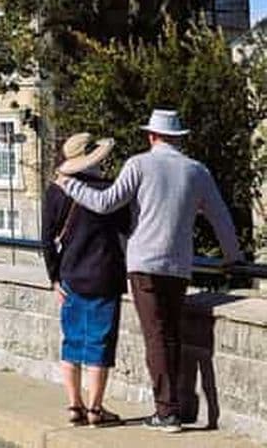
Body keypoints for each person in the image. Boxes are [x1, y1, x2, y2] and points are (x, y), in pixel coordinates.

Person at [56, 109, 242, 433]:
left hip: (144, 263)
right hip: (178, 265)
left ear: (152, 136)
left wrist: (69, 185)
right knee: (171, 334)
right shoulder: (197, 171)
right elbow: (220, 216)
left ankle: (166, 412)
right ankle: (176, 406)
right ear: (178, 138)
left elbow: (105, 203)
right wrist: (232, 256)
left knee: (156, 336)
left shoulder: (139, 164)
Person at [43, 132, 129, 428]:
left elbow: (47, 240)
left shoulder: (56, 192)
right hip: (105, 274)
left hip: (70, 276)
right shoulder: (108, 190)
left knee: (72, 342)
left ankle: (74, 405)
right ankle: (95, 408)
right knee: (99, 344)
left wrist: (54, 278)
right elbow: (127, 228)